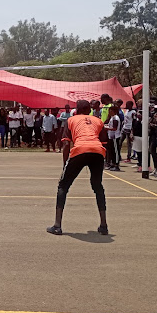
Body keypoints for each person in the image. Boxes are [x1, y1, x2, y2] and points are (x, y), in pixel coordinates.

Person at [47, 100, 108, 236]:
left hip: (80, 150)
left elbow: (66, 145)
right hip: (98, 151)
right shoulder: (98, 121)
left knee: (63, 186)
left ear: (77, 109)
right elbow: (104, 142)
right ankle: (103, 225)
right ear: (89, 110)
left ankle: (57, 225)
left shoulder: (71, 120)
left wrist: (65, 165)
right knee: (98, 186)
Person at [105, 105, 122, 171]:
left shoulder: (115, 118)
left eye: (110, 111)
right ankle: (113, 163)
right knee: (111, 151)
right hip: (111, 137)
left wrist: (107, 128)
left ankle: (116, 164)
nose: (109, 112)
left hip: (115, 137)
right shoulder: (112, 118)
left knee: (115, 151)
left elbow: (114, 128)